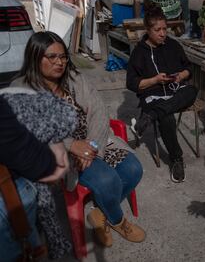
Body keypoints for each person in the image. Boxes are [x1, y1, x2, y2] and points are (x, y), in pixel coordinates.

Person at [12, 31, 145, 248]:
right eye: (52, 57)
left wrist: (92, 147)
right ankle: (118, 221)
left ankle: (100, 215)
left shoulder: (74, 78)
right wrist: (73, 145)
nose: (60, 62)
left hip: (94, 142)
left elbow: (99, 111)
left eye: (63, 56)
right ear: (36, 57)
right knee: (106, 180)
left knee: (133, 169)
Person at [126, 2, 198, 183]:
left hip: (176, 91)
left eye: (165, 28)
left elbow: (189, 68)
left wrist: (181, 75)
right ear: (148, 30)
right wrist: (155, 80)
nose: (163, 33)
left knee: (192, 90)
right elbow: (132, 83)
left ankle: (148, 118)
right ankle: (176, 158)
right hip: (153, 95)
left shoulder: (173, 45)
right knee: (166, 117)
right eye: (158, 30)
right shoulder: (139, 53)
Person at [0, 90, 70, 261]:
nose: (59, 62)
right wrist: (55, 158)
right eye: (52, 59)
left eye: (63, 60)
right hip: (22, 174)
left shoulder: (78, 83)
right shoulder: (21, 90)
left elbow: (96, 115)